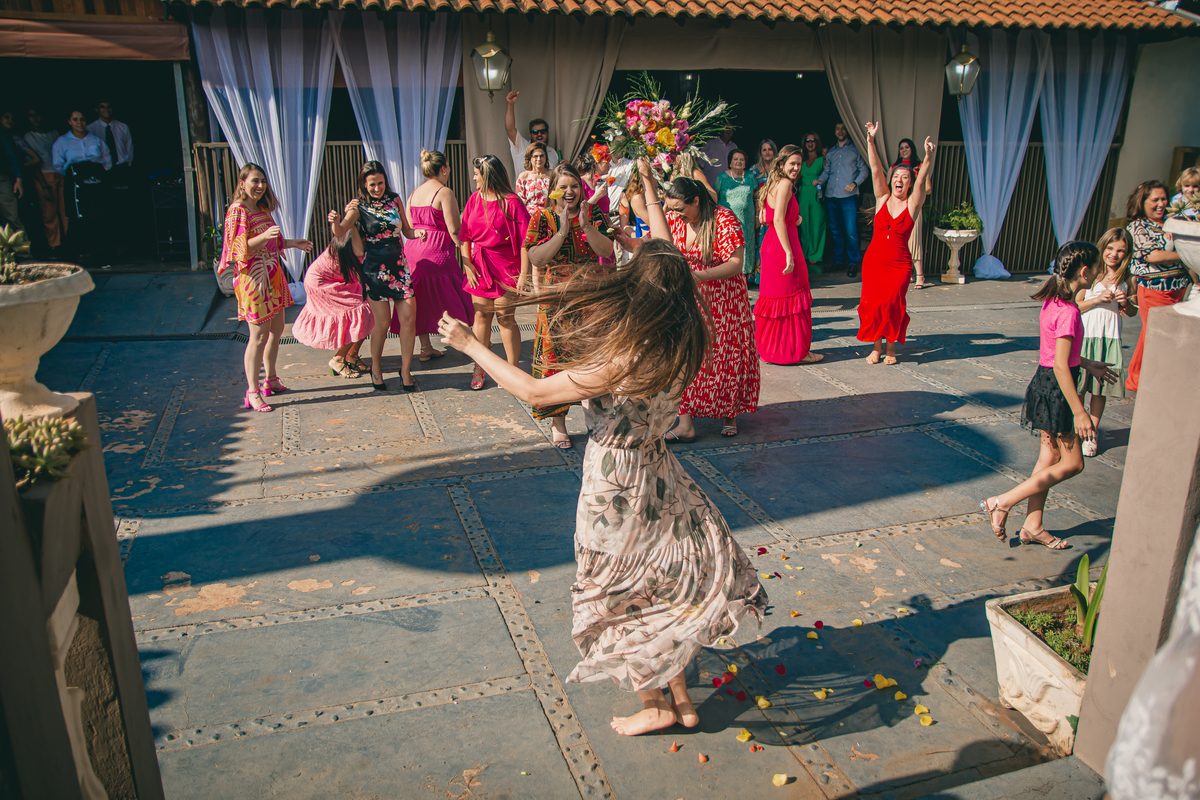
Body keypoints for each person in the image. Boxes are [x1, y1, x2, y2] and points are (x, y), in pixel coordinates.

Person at [435, 158, 766, 737]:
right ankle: (681, 697)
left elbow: (536, 391)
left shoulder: (626, 358)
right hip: (660, 472)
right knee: (658, 581)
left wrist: (471, 345)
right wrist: (650, 190)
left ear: (642, 289)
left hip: (616, 481)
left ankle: (656, 704)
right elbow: (666, 255)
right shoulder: (690, 329)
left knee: (621, 589)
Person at [981, 241, 1119, 550]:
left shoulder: (1053, 302)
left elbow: (1055, 355)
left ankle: (1033, 525)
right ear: (1085, 272)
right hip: (1058, 390)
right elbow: (1060, 365)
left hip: (1044, 385)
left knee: (1049, 457)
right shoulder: (1069, 312)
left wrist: (1087, 363)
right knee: (1073, 464)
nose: (1098, 273)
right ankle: (1003, 502)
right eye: (1097, 268)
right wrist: (1080, 411)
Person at [662, 177, 758, 440]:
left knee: (725, 355)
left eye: (680, 209)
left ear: (696, 201)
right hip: (690, 299)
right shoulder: (675, 219)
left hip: (724, 300)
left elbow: (736, 264)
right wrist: (629, 240)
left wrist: (699, 276)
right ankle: (685, 423)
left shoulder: (724, 219)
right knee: (685, 356)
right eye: (671, 209)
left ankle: (729, 413)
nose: (675, 214)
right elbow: (655, 241)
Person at [526, 163, 614, 448]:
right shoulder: (542, 217)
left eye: (574, 185)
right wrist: (562, 231)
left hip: (590, 294)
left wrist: (586, 226)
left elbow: (606, 250)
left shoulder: (593, 213)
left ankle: (596, 419)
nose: (569, 191)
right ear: (553, 190)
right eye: (563, 186)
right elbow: (537, 258)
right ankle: (558, 422)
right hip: (556, 297)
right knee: (554, 360)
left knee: (592, 357)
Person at [218, 163, 313, 412]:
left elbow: (272, 241)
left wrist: (292, 243)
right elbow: (236, 248)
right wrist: (264, 237)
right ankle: (252, 391)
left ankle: (270, 379)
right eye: (255, 181)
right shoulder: (237, 210)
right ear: (242, 183)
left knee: (277, 330)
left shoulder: (261, 208)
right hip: (253, 280)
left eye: (263, 181)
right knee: (258, 336)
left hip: (272, 275)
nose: (260, 186)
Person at [333, 161, 426, 393]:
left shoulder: (394, 199)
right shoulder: (358, 206)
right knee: (382, 323)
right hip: (375, 270)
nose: (377, 188)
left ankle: (406, 371)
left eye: (381, 183)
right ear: (364, 184)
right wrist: (336, 220)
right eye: (372, 184)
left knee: (409, 319)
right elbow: (340, 231)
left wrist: (418, 233)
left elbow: (406, 230)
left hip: (399, 267)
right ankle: (376, 368)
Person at [856, 122, 936, 365]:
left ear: (909, 183)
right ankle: (876, 347)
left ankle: (890, 348)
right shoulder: (882, 198)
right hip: (874, 262)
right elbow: (875, 169)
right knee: (873, 304)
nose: (899, 180)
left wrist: (928, 158)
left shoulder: (913, 205)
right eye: (897, 177)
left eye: (905, 178)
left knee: (892, 304)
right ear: (891, 180)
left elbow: (921, 183)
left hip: (899, 265)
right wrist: (870, 141)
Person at [458, 154, 531, 390]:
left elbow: (526, 241)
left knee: (505, 318)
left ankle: (512, 370)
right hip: (479, 266)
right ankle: (479, 367)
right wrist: (467, 264)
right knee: (481, 316)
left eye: (477, 174)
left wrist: (524, 274)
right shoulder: (473, 199)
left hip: (507, 266)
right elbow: (465, 236)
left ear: (488, 176)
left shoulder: (512, 202)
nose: (474, 178)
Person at [405, 149, 474, 363]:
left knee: (421, 299)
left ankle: (425, 347)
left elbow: (409, 226)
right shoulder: (444, 192)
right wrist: (465, 249)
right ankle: (470, 340)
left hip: (414, 251)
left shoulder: (414, 193)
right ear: (443, 168)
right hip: (437, 250)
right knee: (455, 294)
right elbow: (454, 229)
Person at [1124, 180, 1193, 393]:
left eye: (1164, 199)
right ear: (1143, 202)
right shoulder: (1137, 226)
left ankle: (1147, 377)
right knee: (1155, 333)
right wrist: (1186, 255)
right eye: (1155, 200)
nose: (1161, 204)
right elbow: (1153, 256)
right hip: (1153, 289)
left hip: (1179, 288)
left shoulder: (1173, 222)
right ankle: (1139, 380)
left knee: (1160, 334)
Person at [757, 144, 822, 365]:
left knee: (776, 298)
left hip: (772, 243)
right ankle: (798, 352)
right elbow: (777, 220)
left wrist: (795, 219)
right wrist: (788, 252)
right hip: (783, 245)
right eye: (792, 163)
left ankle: (773, 351)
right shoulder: (785, 183)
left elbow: (770, 216)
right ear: (782, 163)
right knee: (794, 296)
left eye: (799, 164)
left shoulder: (773, 183)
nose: (796, 168)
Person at [1075, 228, 1136, 458]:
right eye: (1110, 248)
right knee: (1079, 385)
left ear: (1127, 253)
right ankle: (1076, 428)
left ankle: (1092, 432)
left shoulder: (1128, 278)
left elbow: (1132, 312)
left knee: (1100, 389)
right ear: (1102, 247)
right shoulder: (1091, 273)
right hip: (1086, 335)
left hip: (1109, 338)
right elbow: (1076, 305)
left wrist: (1125, 303)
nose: (1114, 254)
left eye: (1121, 250)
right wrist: (1097, 299)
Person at [292, 210, 374, 378]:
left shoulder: (357, 238)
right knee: (362, 312)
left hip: (338, 279)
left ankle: (352, 356)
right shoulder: (348, 242)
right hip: (321, 283)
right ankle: (338, 359)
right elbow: (359, 257)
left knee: (369, 310)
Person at [52, 110, 111, 264]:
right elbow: (58, 165)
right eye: (75, 119)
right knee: (77, 219)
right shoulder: (62, 142)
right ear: (69, 121)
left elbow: (107, 161)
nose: (79, 122)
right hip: (75, 183)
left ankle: (101, 258)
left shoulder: (96, 140)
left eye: (82, 119)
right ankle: (71, 257)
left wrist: (96, 172)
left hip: (95, 182)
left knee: (98, 218)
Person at [818, 122, 868, 278]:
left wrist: (855, 183)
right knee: (835, 231)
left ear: (848, 130)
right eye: (837, 128)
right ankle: (838, 261)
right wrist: (819, 181)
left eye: (843, 128)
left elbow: (864, 170)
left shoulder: (856, 150)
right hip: (831, 196)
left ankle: (853, 263)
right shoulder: (831, 152)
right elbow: (827, 172)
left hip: (848, 197)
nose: (840, 131)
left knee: (851, 231)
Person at [23, 108, 65, 256]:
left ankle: (70, 242)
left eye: (37, 115)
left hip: (60, 173)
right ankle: (55, 246)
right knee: (49, 213)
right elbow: (34, 163)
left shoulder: (54, 133)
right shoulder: (29, 136)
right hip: (44, 176)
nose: (35, 118)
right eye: (31, 116)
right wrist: (44, 185)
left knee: (66, 211)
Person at [892, 138, 933, 288]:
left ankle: (920, 275)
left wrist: (913, 190)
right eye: (901, 148)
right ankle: (905, 273)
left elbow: (928, 188)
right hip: (897, 206)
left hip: (913, 205)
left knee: (914, 240)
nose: (904, 150)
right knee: (898, 240)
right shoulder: (895, 167)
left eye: (907, 147)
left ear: (912, 149)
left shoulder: (919, 166)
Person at [716, 149, 757, 280]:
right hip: (728, 221)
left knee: (746, 246)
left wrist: (757, 216)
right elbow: (714, 197)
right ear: (730, 162)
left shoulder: (750, 176)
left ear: (745, 163)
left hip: (747, 220)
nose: (738, 161)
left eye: (742, 159)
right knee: (730, 245)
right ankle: (729, 274)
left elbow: (757, 197)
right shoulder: (722, 177)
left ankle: (744, 276)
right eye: (735, 159)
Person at [504, 91, 560, 181]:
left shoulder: (552, 152)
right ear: (530, 134)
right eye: (535, 132)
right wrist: (510, 104)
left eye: (543, 131)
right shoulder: (522, 147)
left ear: (548, 133)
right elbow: (510, 129)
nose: (539, 134)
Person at [797, 131, 827, 272]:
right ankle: (804, 253)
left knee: (817, 225)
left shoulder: (822, 159)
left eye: (813, 140)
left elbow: (827, 174)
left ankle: (815, 254)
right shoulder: (801, 160)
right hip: (803, 194)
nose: (810, 143)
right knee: (803, 225)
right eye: (807, 140)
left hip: (816, 194)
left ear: (817, 142)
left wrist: (826, 158)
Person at [0, 110, 26, 233]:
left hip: (1, 179)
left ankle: (22, 246)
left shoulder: (2, 133)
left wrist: (18, 179)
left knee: (11, 218)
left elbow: (12, 156)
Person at [87, 99, 133, 168]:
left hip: (122, 166)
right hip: (102, 168)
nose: (106, 109)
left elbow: (129, 148)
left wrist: (129, 164)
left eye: (108, 106)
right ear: (97, 109)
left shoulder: (123, 127)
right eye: (102, 107)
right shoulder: (90, 129)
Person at [515, 142, 551, 215]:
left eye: (541, 156)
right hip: (530, 216)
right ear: (530, 158)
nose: (539, 159)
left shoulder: (553, 175)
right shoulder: (523, 177)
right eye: (535, 156)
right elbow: (520, 202)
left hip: (549, 214)